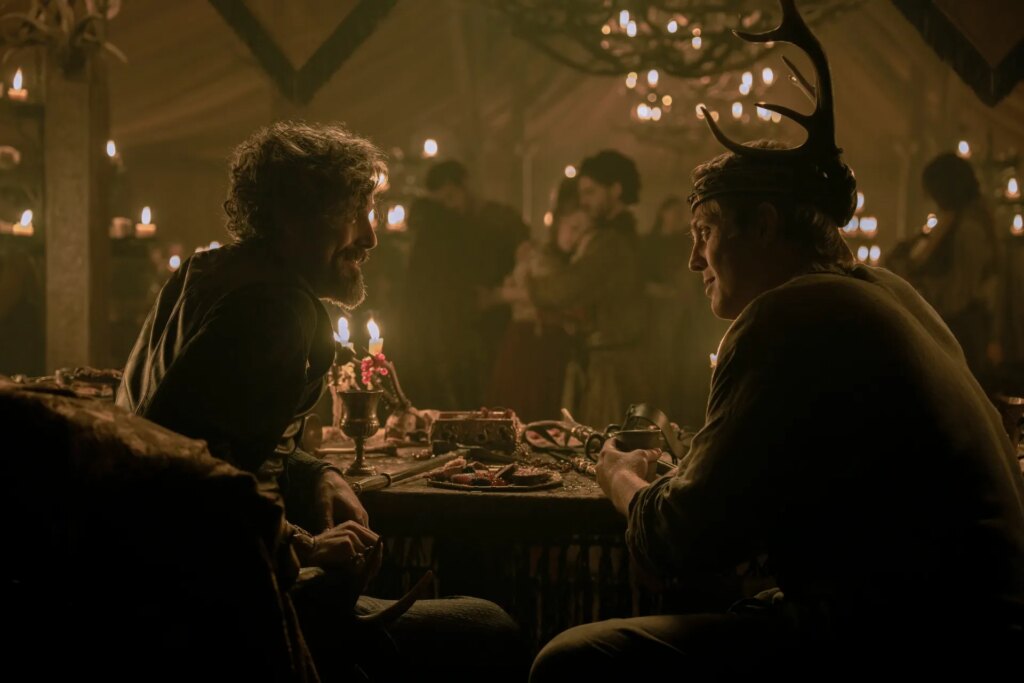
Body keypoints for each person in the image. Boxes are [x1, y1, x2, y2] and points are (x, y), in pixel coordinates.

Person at [531, 6, 1024, 679]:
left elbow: (683, 540)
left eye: (704, 231)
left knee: (571, 660)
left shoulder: (787, 316)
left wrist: (619, 476)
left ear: (763, 225)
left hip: (903, 640)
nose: (693, 261)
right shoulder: (886, 290)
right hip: (973, 621)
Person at [117, 122, 521, 682]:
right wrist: (304, 545)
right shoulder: (280, 309)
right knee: (490, 627)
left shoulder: (201, 274)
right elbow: (186, 483)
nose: (371, 237)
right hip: (229, 609)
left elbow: (199, 436)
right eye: (356, 212)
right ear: (292, 219)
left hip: (170, 585)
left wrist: (315, 473)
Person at [527, 149, 643, 430]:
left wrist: (533, 280)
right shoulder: (611, 237)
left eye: (590, 192)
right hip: (605, 359)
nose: (584, 201)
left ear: (615, 190)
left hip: (611, 367)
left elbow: (565, 289)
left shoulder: (611, 242)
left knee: (605, 444)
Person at [399, 160, 528, 410]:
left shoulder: (503, 220)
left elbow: (526, 264)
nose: (450, 206)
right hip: (464, 328)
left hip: (503, 322)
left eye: (451, 196)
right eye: (442, 201)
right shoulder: (446, 226)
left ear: (466, 186)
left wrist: (500, 294)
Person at [484, 176, 589, 422]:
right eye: (572, 226)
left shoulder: (576, 263)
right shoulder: (537, 256)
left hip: (551, 344)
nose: (577, 236)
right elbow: (526, 292)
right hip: (527, 342)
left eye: (584, 230)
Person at [888, 153, 999, 384]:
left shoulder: (970, 228)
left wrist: (921, 290)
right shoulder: (954, 220)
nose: (933, 199)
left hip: (963, 330)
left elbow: (960, 294)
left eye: (935, 191)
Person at [639, 195, 728, 428]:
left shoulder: (684, 247)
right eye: (672, 212)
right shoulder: (651, 246)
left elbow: (686, 287)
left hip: (685, 320)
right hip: (657, 322)